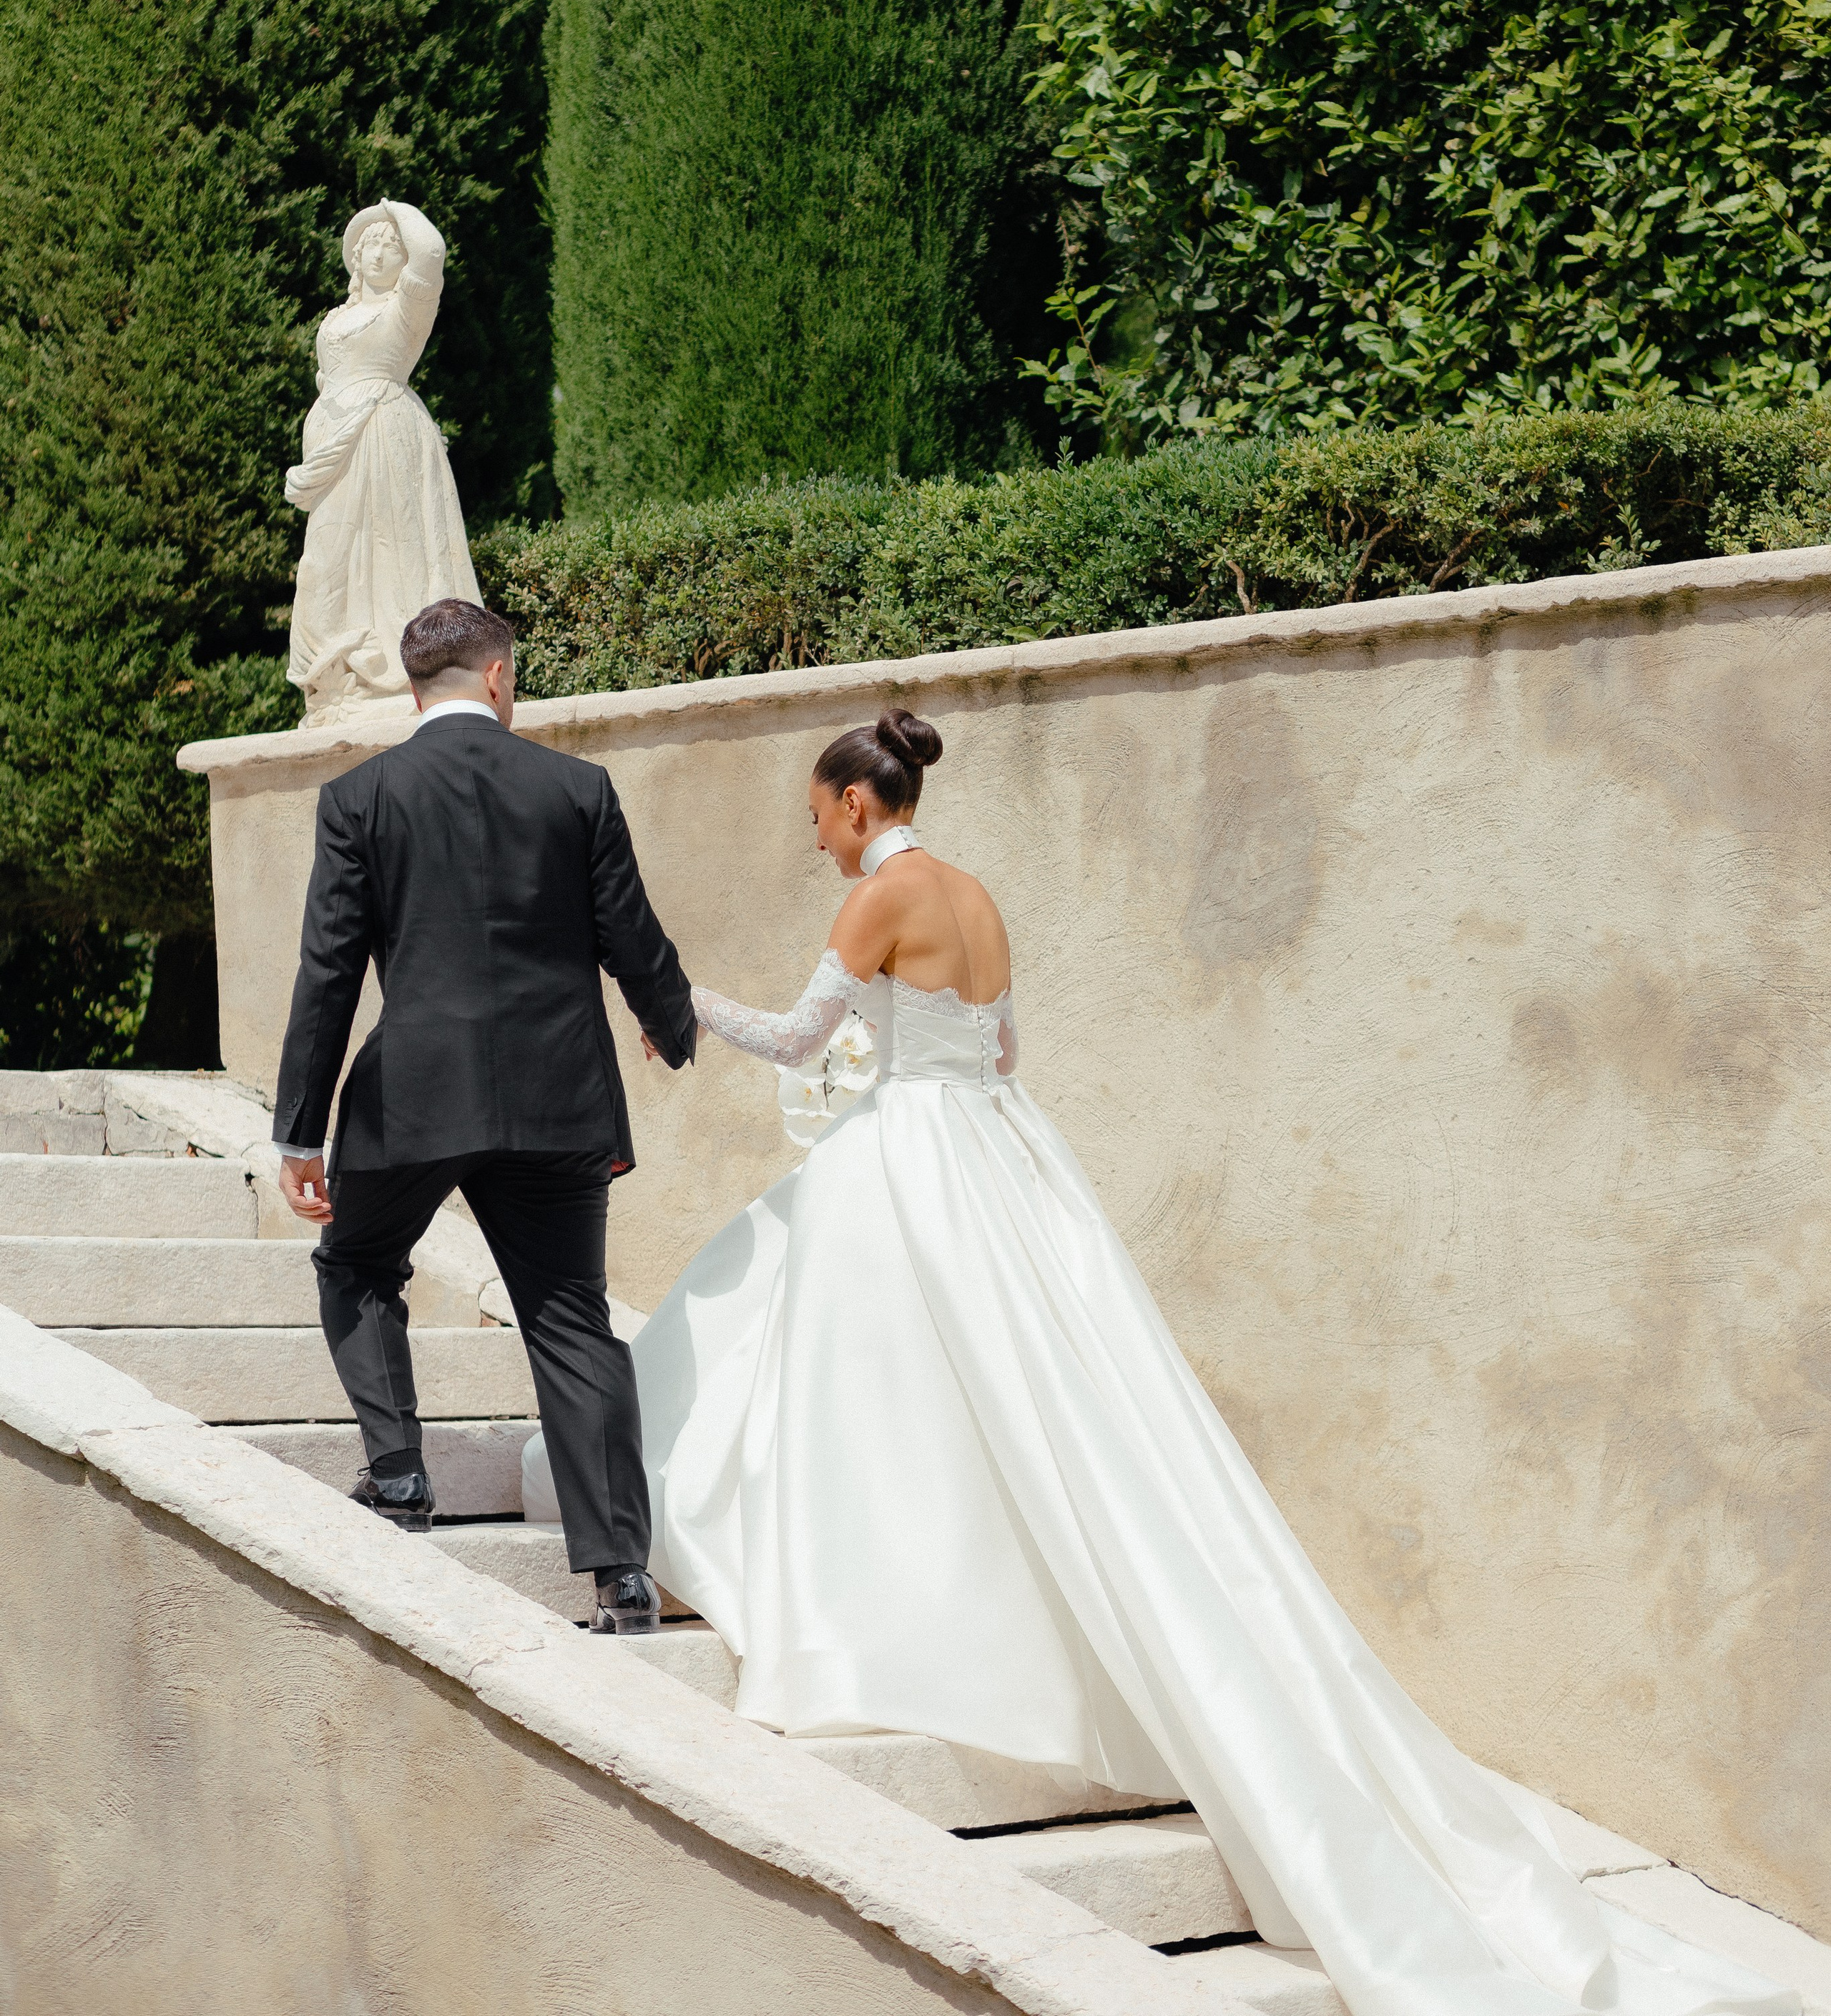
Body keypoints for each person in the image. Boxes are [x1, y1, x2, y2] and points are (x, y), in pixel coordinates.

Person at [533, 707, 1794, 2016]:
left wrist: (688, 1010)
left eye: (816, 818)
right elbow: (1002, 1053)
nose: (817, 842)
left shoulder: (881, 896)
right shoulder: (978, 896)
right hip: (1003, 1154)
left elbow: (804, 1040)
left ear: (859, 803)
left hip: (909, 1161)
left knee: (837, 1369)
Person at [272, 596, 696, 1636]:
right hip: (558, 1097)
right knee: (569, 1318)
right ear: (498, 676)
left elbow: (328, 970)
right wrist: (671, 1022)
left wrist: (298, 1129)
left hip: (410, 1094)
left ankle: (402, 1476)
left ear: (417, 686)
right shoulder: (576, 787)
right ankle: (619, 1575)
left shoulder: (360, 798)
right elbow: (629, 933)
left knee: (358, 1264)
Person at [285, 199, 481, 727]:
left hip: (388, 437)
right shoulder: (336, 319)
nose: (379, 250)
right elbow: (330, 381)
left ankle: (408, 671)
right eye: (370, 242)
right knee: (327, 563)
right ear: (354, 258)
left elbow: (433, 250)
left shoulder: (407, 309)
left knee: (401, 557)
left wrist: (395, 211)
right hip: (336, 451)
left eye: (390, 243)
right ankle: (339, 677)